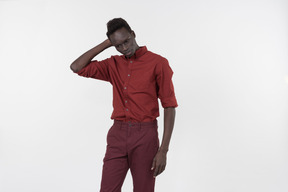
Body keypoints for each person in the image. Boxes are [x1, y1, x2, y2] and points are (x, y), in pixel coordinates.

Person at [70, 18, 178, 192]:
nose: (124, 48)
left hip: (145, 135)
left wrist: (163, 150)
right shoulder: (113, 64)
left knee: (143, 189)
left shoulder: (158, 63)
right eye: (118, 45)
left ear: (133, 34)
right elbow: (76, 67)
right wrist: (107, 43)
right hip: (117, 135)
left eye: (126, 41)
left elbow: (169, 106)